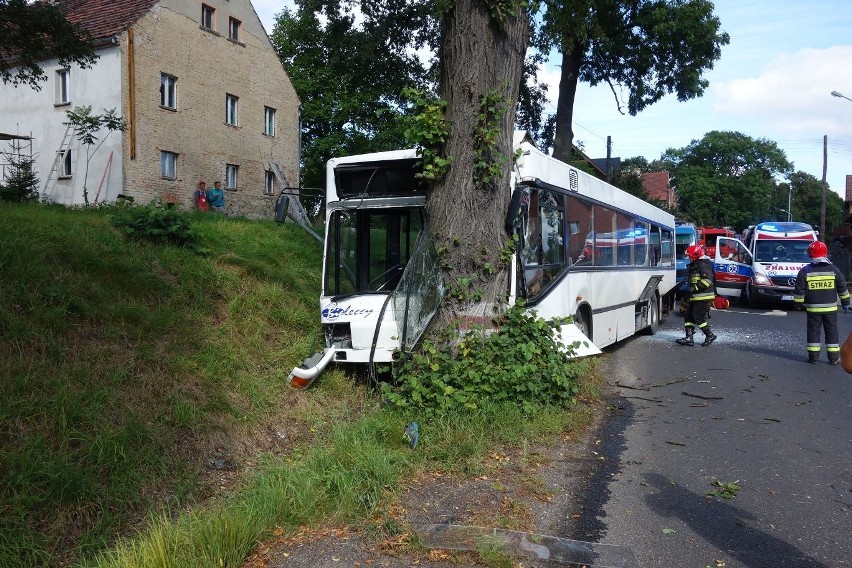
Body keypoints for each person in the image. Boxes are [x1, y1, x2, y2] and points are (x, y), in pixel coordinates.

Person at [793, 240, 850, 364]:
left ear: (810, 254)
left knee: (813, 332)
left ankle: (813, 357)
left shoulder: (805, 271)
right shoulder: (834, 269)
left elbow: (799, 290)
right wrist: (846, 302)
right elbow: (842, 287)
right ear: (825, 253)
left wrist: (798, 304)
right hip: (830, 309)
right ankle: (834, 358)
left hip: (813, 309)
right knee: (832, 332)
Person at [676, 244, 717, 346]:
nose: (688, 258)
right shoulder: (694, 266)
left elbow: (707, 280)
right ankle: (689, 338)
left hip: (703, 296)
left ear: (694, 255)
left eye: (689, 256)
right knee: (688, 316)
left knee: (697, 316)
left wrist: (695, 288)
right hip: (696, 296)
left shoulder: (703, 266)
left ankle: (710, 335)